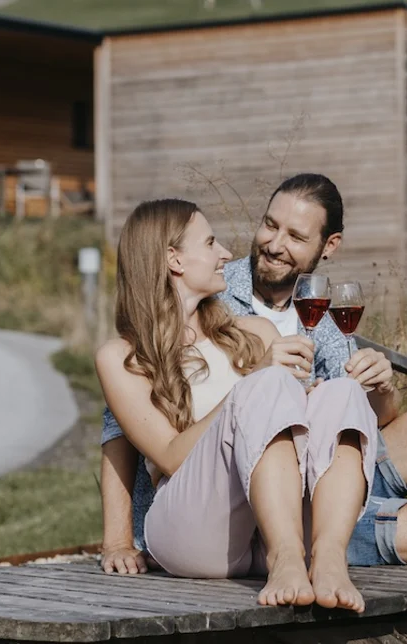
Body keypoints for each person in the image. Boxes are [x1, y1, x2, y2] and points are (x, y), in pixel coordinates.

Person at [98, 174, 407, 582]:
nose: (272, 244)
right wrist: (118, 539)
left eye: (296, 237)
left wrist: (378, 387)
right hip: (209, 503)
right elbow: (129, 430)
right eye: (270, 225)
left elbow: (361, 415)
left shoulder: (311, 312)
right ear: (174, 259)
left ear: (328, 245)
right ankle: (314, 548)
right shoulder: (215, 291)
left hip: (309, 474)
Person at [94, 198, 374, 611]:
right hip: (195, 532)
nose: (226, 253)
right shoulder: (122, 357)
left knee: (341, 392)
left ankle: (328, 557)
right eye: (210, 243)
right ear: (174, 259)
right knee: (266, 384)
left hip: (269, 527)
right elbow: (170, 456)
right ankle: (285, 558)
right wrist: (252, 384)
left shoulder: (254, 332)